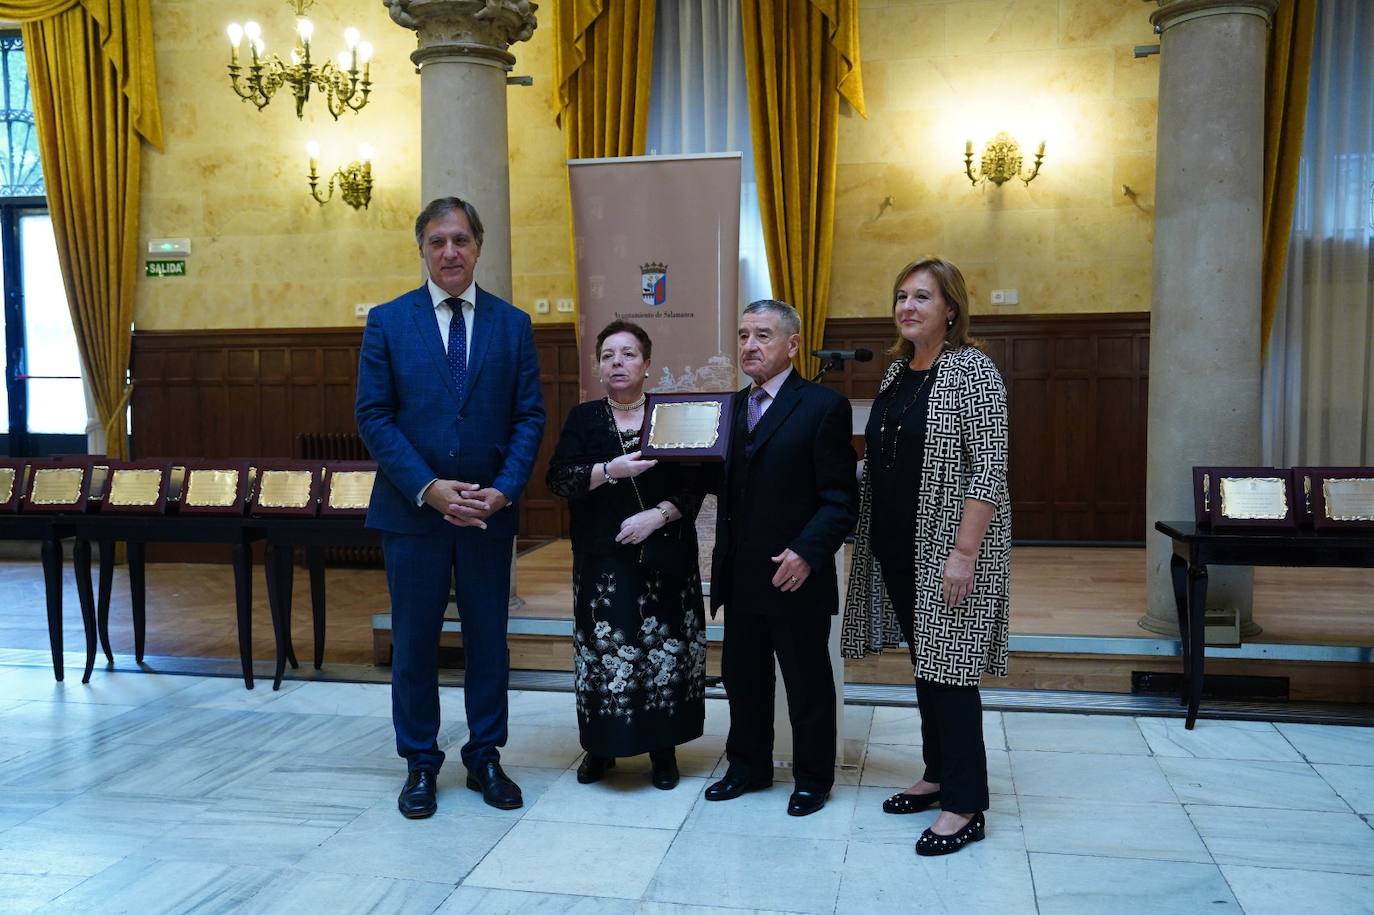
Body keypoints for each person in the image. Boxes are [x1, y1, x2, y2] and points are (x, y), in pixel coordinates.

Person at [355, 196, 545, 819]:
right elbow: (374, 417)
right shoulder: (388, 322)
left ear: (479, 246)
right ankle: (420, 762)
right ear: (422, 249)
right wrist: (430, 487)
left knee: (490, 641)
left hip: (489, 512)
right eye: (437, 242)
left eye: (461, 240)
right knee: (414, 643)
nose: (450, 252)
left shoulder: (511, 324)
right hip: (414, 515)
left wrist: (506, 487)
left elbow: (528, 417)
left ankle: (485, 756)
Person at [841, 256, 1010, 856]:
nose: (907, 307)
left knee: (953, 672)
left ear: (951, 309)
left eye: (921, 297)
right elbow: (884, 455)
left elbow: (988, 471)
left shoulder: (974, 372)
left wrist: (964, 554)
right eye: (900, 296)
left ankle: (965, 806)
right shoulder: (895, 375)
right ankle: (939, 775)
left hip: (949, 549)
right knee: (927, 665)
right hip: (895, 542)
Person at [705, 299, 857, 817]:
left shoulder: (821, 407)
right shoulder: (727, 409)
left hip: (796, 574)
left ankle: (814, 778)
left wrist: (808, 553)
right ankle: (748, 766)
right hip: (740, 574)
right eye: (744, 334)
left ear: (792, 344)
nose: (749, 345)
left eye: (763, 336)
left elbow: (841, 499)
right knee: (743, 680)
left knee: (807, 683)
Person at [546, 320, 708, 790]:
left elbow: (695, 484)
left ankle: (664, 751)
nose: (618, 362)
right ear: (599, 366)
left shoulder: (672, 414)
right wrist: (607, 470)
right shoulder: (584, 418)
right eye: (609, 355)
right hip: (603, 560)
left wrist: (657, 516)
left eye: (629, 354)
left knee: (664, 652)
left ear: (648, 364)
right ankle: (601, 748)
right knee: (606, 652)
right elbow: (559, 479)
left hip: (665, 554)